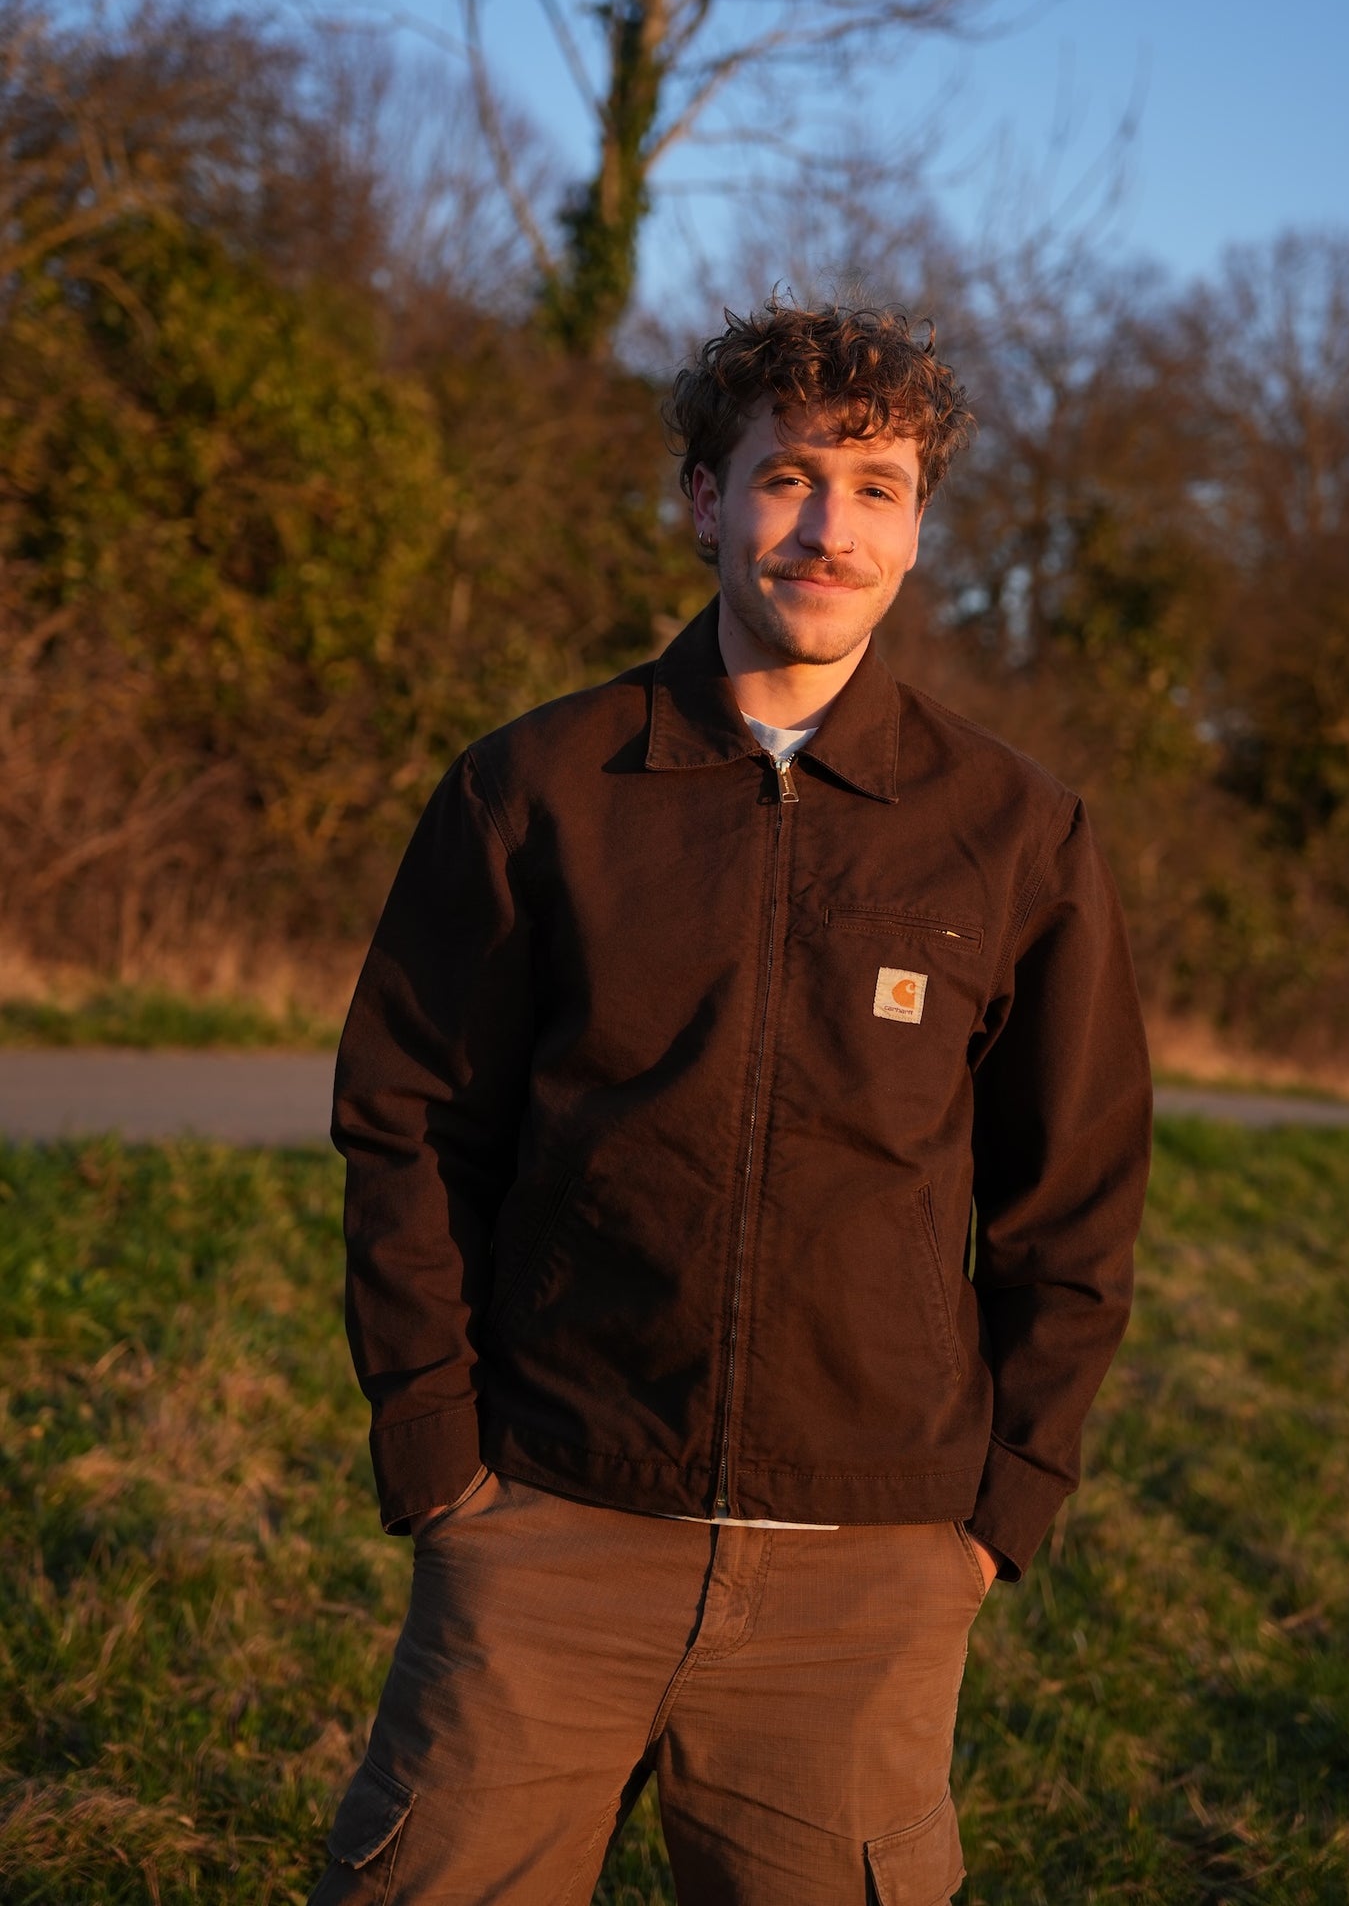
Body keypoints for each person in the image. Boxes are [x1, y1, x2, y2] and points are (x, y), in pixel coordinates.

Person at [312, 300, 1152, 1905]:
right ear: (704, 500)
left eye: (877, 485)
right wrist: (437, 1454)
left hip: (867, 1571)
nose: (827, 529)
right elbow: (413, 1125)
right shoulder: (533, 789)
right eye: (784, 480)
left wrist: (993, 1514)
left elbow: (1073, 1201)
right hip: (547, 1522)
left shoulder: (1018, 835)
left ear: (919, 527)